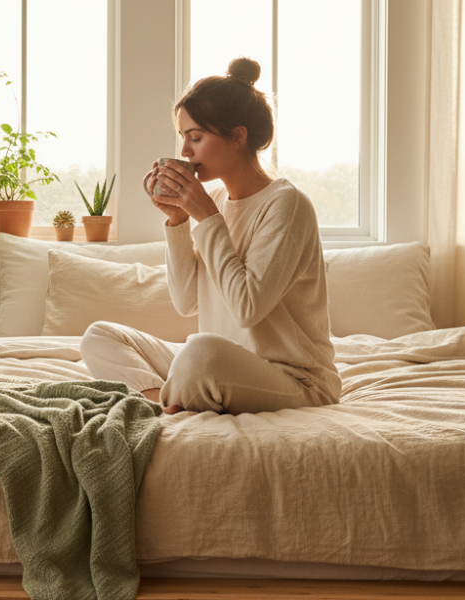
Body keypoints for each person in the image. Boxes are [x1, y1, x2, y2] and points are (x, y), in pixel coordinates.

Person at [80, 57, 341, 416]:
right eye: (183, 138)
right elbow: (186, 302)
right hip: (223, 365)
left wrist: (206, 217)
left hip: (294, 381)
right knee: (100, 336)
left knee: (200, 353)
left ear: (237, 136)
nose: (185, 151)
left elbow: (247, 308)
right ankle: (163, 400)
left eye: (196, 137)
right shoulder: (215, 200)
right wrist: (178, 222)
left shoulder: (287, 204)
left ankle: (173, 396)